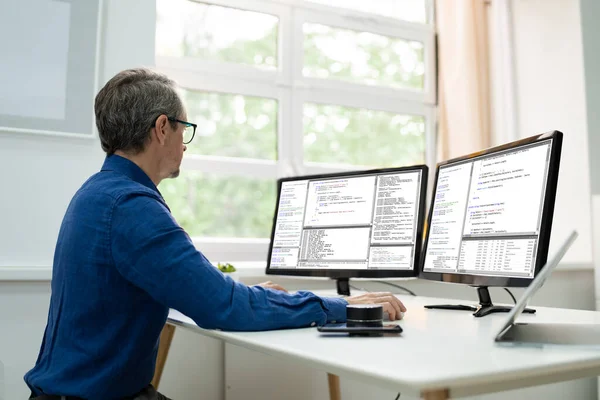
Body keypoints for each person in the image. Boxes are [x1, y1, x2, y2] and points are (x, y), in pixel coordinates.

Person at [24, 68, 406, 400]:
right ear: (161, 128)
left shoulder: (97, 193)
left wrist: (247, 295)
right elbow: (222, 306)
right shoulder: (132, 207)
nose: (184, 146)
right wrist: (346, 306)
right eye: (183, 130)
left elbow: (202, 289)